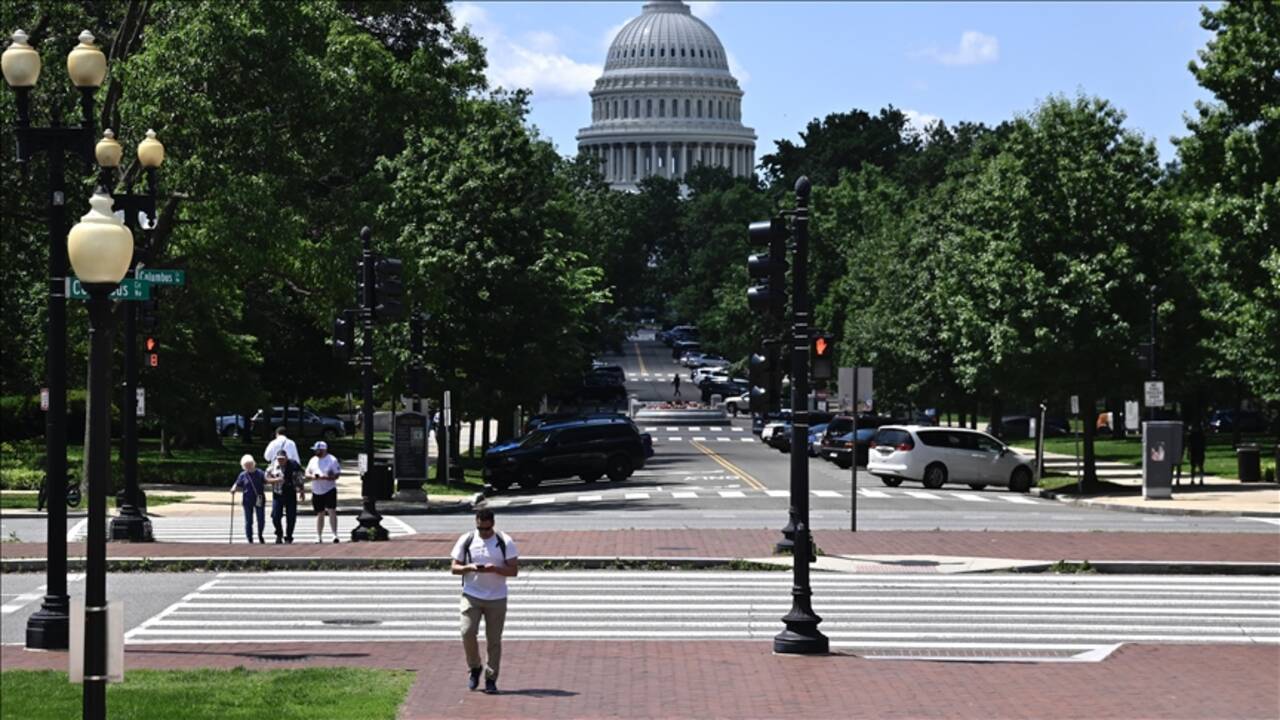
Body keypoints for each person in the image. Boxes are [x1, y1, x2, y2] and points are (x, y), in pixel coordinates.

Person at [450, 508, 519, 695]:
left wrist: (495, 569)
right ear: (476, 523)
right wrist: (469, 567)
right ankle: (475, 667)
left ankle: (491, 678)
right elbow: (454, 568)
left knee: (494, 640)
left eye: (487, 529)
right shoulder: (467, 540)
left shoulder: (505, 541)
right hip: (471, 594)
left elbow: (513, 570)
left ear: (493, 524)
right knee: (467, 631)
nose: (484, 532)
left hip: (497, 597)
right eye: (481, 528)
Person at [266, 449, 305, 544]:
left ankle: (289, 536)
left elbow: (299, 478)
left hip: (290, 493)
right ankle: (279, 533)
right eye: (279, 459)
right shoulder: (273, 466)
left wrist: (301, 490)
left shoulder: (294, 465)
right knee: (275, 516)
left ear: (286, 458)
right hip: (278, 494)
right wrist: (276, 480)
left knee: (291, 517)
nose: (281, 461)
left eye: (282, 459)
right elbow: (266, 478)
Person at [306, 441, 342, 543]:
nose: (316, 452)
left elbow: (337, 475)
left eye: (317, 450)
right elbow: (307, 472)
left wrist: (326, 477)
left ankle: (335, 534)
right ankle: (319, 536)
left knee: (331, 511)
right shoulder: (313, 460)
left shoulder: (332, 460)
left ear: (323, 450)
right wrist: (312, 476)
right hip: (316, 490)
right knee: (319, 513)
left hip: (329, 489)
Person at [230, 454, 267, 544]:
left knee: (261, 518)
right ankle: (249, 538)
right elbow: (237, 483)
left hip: (259, 498)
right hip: (247, 499)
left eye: (250, 464)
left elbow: (266, 480)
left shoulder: (260, 473)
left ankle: (260, 534)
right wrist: (234, 488)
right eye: (246, 465)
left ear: (253, 464)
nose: (248, 467)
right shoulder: (243, 475)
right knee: (248, 520)